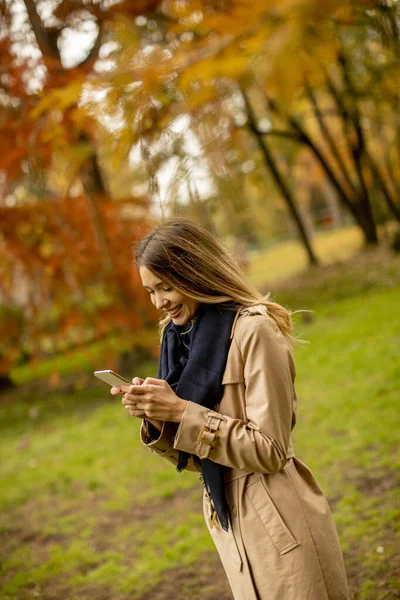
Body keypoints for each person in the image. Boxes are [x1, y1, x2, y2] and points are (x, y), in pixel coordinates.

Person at [111, 218, 350, 600]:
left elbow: (270, 450)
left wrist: (179, 411)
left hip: (280, 520)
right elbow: (195, 460)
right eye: (150, 291)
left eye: (166, 286)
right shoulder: (179, 342)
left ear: (195, 273)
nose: (159, 302)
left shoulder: (254, 331)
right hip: (230, 526)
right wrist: (158, 418)